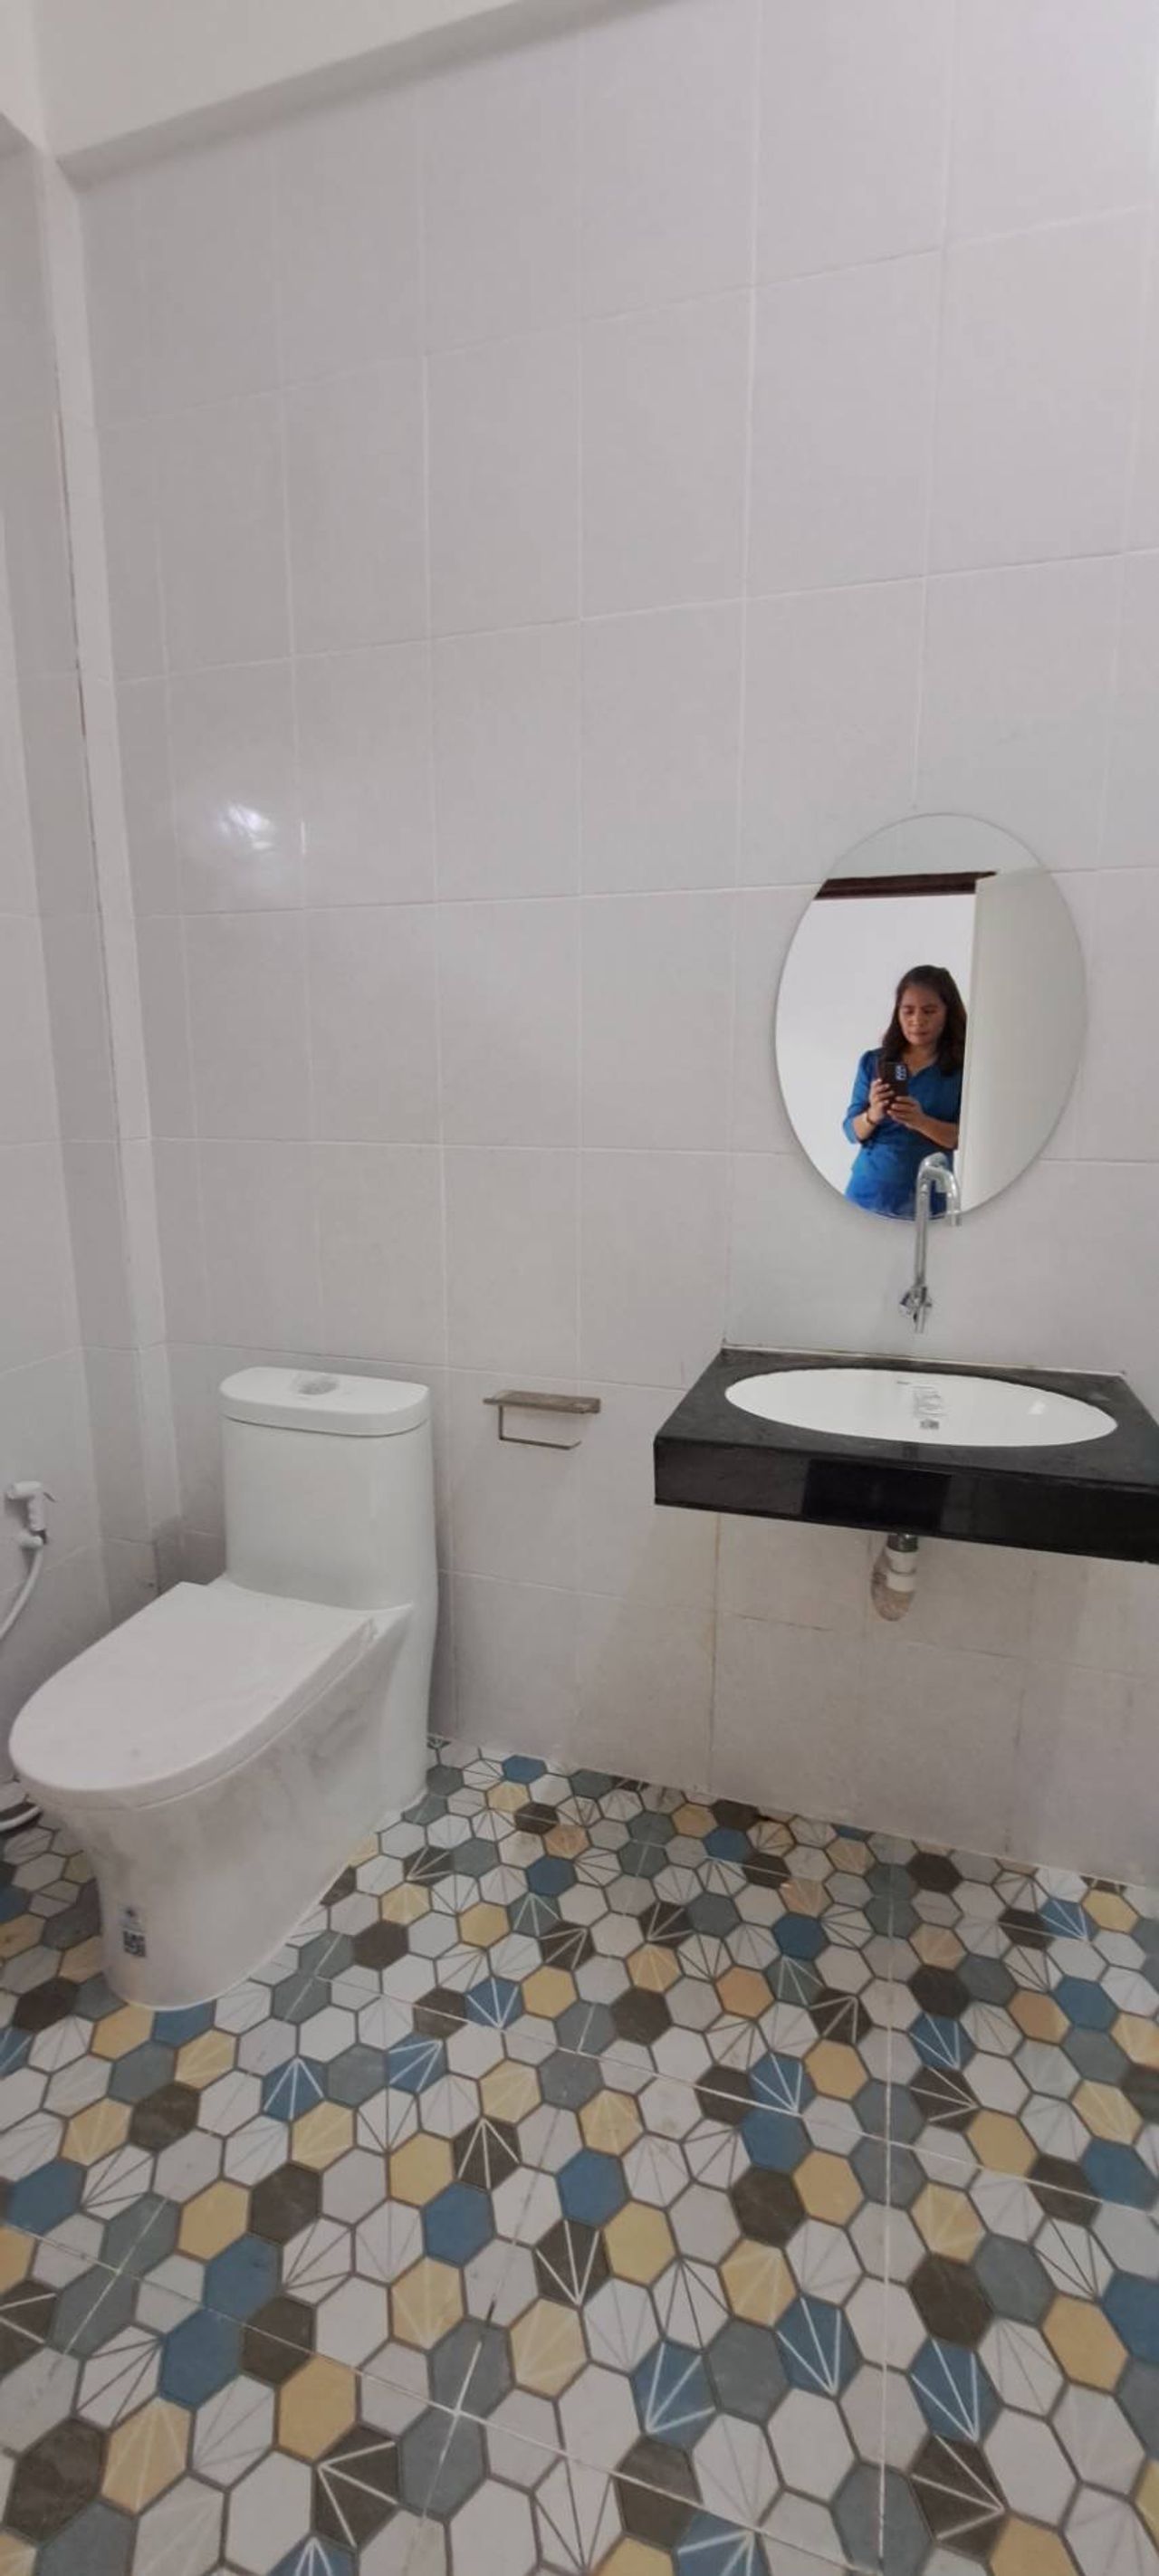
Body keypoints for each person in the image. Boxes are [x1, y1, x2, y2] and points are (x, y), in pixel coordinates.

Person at [843, 964, 966, 1218]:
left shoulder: (963, 1070)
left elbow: (963, 1138)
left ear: (947, 1012)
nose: (917, 1020)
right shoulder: (874, 1062)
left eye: (929, 1011)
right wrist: (873, 1114)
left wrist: (921, 1122)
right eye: (908, 1011)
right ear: (897, 1012)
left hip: (927, 1195)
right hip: (868, 1191)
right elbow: (851, 1131)